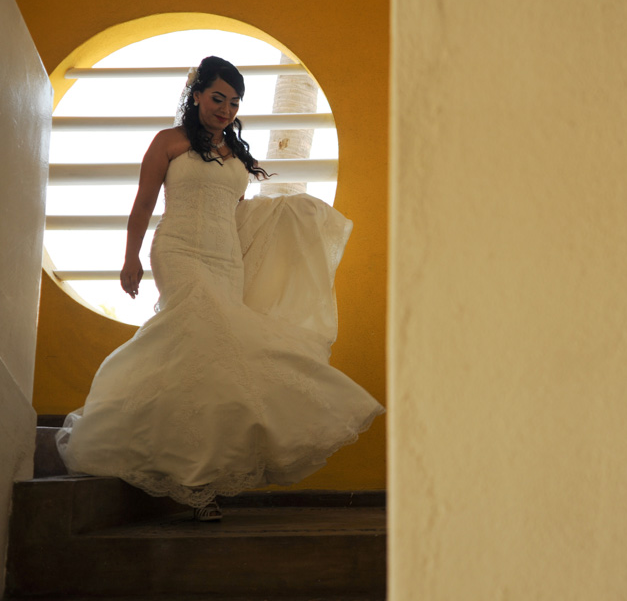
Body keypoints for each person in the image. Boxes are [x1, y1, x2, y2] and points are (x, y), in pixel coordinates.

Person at [57, 56, 385, 521]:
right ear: (196, 95)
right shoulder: (168, 142)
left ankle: (199, 476)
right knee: (200, 336)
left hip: (226, 262)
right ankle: (193, 481)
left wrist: (289, 214)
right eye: (217, 98)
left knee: (209, 360)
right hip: (178, 252)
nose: (225, 109)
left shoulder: (236, 155)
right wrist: (130, 258)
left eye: (234, 103)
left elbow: (237, 214)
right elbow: (143, 203)